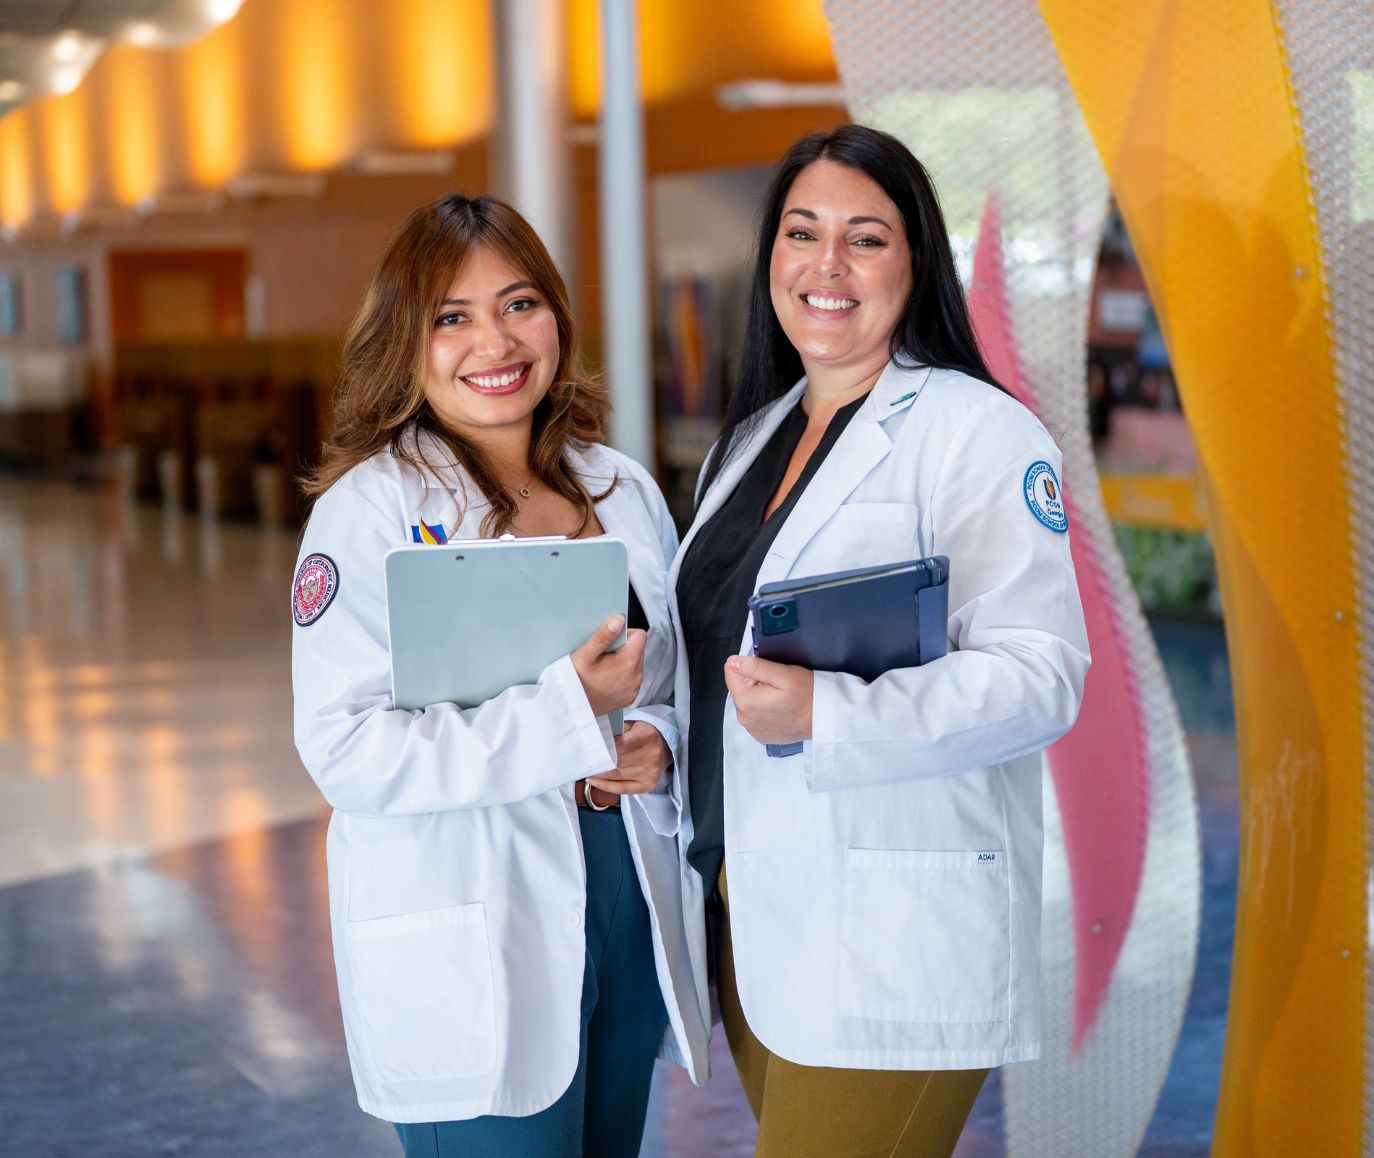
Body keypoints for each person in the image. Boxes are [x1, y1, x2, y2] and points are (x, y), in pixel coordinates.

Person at [668, 125, 1090, 1157]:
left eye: (866, 238)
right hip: (750, 915)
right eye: (802, 232)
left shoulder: (979, 433)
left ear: (915, 263)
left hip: (893, 922)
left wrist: (830, 714)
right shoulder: (751, 440)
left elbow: (1043, 679)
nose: (827, 266)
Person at [291, 194, 708, 1157]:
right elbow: (347, 754)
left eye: (520, 304)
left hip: (624, 903)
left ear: (558, 314)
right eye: (453, 316)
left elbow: (672, 688)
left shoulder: (622, 489)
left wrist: (655, 745)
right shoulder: (370, 512)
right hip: (470, 920)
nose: (496, 340)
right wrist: (573, 711)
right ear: (407, 339)